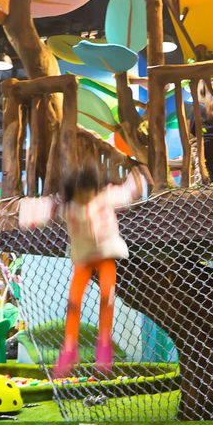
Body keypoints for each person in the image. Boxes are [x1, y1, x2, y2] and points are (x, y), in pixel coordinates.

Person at [19, 161, 147, 378]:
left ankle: (104, 345)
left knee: (107, 296)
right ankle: (69, 348)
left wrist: (136, 176)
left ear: (95, 189)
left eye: (88, 193)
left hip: (106, 255)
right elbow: (40, 213)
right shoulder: (67, 208)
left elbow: (128, 192)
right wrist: (28, 214)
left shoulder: (105, 198)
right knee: (74, 301)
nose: (85, 198)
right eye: (80, 195)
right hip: (84, 259)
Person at [190, 80, 213, 183]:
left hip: (207, 146)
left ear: (202, 92)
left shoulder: (198, 108)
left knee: (212, 179)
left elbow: (193, 130)